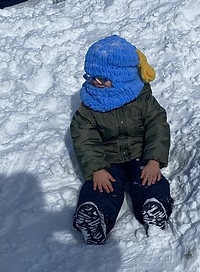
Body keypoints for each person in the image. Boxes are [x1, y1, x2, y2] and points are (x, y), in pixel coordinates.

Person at [70, 35, 173, 245]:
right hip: (108, 160)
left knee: (149, 180)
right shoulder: (91, 102)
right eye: (91, 76)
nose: (92, 82)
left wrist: (154, 160)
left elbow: (157, 126)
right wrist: (97, 168)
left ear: (120, 79)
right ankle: (95, 218)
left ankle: (154, 207)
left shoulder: (141, 99)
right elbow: (84, 137)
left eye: (100, 79)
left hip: (140, 154)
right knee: (102, 186)